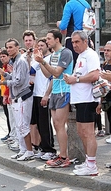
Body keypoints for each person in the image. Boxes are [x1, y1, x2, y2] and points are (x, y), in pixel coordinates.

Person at [34, 29, 73, 167]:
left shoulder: (66, 53)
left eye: (49, 38)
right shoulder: (54, 55)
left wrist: (43, 62)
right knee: (56, 124)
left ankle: (64, 157)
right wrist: (39, 61)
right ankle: (61, 154)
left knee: (60, 124)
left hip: (64, 91)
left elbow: (57, 72)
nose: (47, 41)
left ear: (57, 39)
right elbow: (49, 75)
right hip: (55, 91)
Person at [63, 30, 100, 176]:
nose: (74, 45)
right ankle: (88, 161)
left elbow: (94, 75)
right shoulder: (80, 57)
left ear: (85, 41)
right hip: (79, 99)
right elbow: (81, 75)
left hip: (87, 98)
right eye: (73, 42)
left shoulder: (91, 55)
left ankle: (92, 165)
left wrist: (76, 80)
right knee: (81, 132)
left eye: (77, 42)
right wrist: (72, 78)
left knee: (88, 133)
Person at [0, 38, 34, 161]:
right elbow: (14, 77)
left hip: (23, 96)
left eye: (11, 47)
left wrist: (2, 82)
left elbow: (18, 81)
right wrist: (3, 74)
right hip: (18, 97)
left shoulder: (20, 61)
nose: (9, 49)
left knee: (23, 126)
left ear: (17, 47)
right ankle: (23, 150)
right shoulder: (15, 61)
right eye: (7, 47)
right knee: (20, 126)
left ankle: (29, 151)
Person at [31, 37, 56, 161]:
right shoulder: (38, 59)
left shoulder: (50, 58)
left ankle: (50, 149)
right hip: (36, 93)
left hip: (45, 94)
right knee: (40, 123)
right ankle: (42, 147)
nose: (40, 47)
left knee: (45, 123)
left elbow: (51, 76)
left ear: (48, 46)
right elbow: (31, 71)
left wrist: (47, 94)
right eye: (38, 45)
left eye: (42, 45)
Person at [57, 0, 90, 66]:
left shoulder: (70, 4)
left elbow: (63, 26)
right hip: (85, 38)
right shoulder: (86, 4)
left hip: (73, 38)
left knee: (72, 66)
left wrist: (58, 23)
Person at [100, 41, 111, 144]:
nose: (106, 52)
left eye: (108, 50)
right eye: (105, 50)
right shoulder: (105, 65)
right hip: (108, 99)